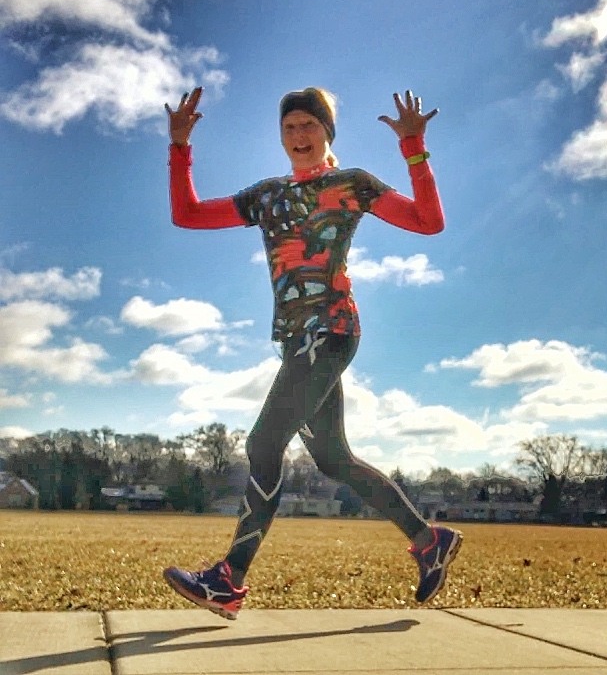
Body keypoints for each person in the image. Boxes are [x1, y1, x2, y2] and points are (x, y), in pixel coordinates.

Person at [162, 86, 462, 619]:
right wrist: (180, 146)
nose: (299, 136)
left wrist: (415, 151)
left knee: (264, 443)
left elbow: (428, 221)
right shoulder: (266, 195)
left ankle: (229, 578)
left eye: (309, 126)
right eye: (289, 128)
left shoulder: (351, 185)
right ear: (281, 137)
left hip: (331, 330)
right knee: (333, 458)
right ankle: (427, 538)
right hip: (297, 339)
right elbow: (186, 215)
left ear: (327, 133)